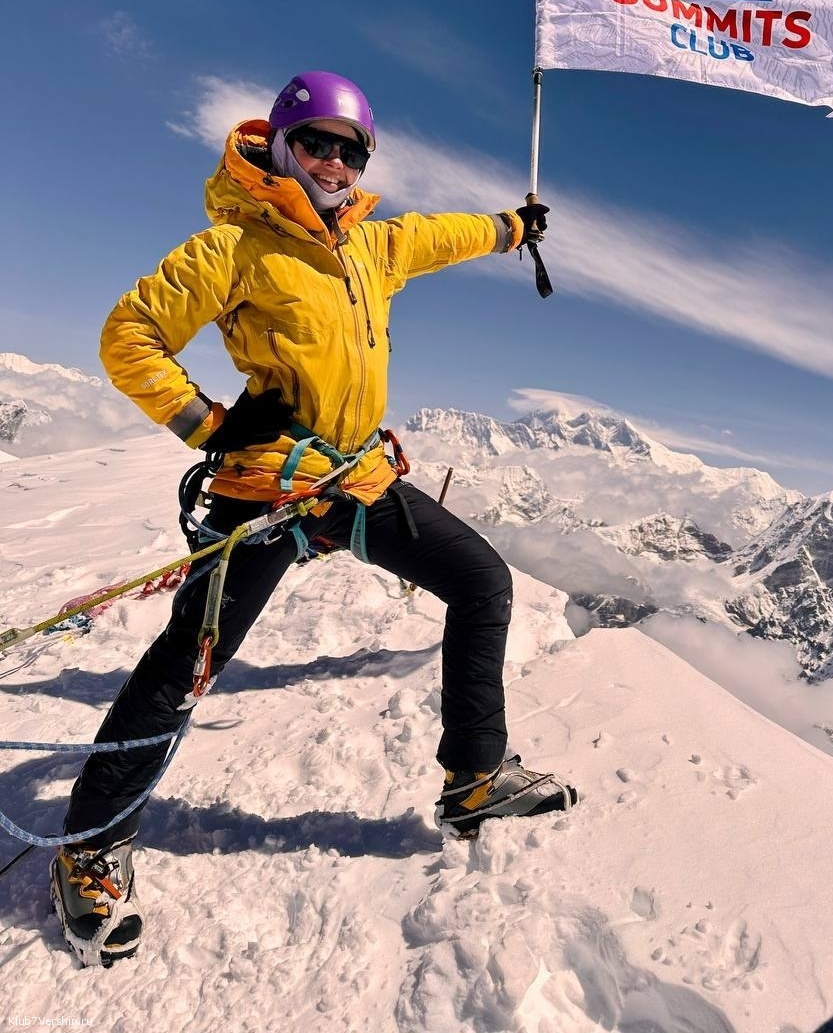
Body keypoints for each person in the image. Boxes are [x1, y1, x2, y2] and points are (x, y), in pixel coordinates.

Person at [50, 70, 578, 967]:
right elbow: (129, 335)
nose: (333, 162)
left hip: (356, 478)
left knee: (483, 583)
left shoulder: (373, 245)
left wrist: (512, 228)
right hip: (267, 485)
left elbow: (446, 234)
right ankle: (91, 846)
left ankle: (475, 779)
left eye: (350, 150)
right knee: (187, 663)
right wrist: (208, 425)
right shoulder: (235, 246)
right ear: (282, 145)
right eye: (316, 143)